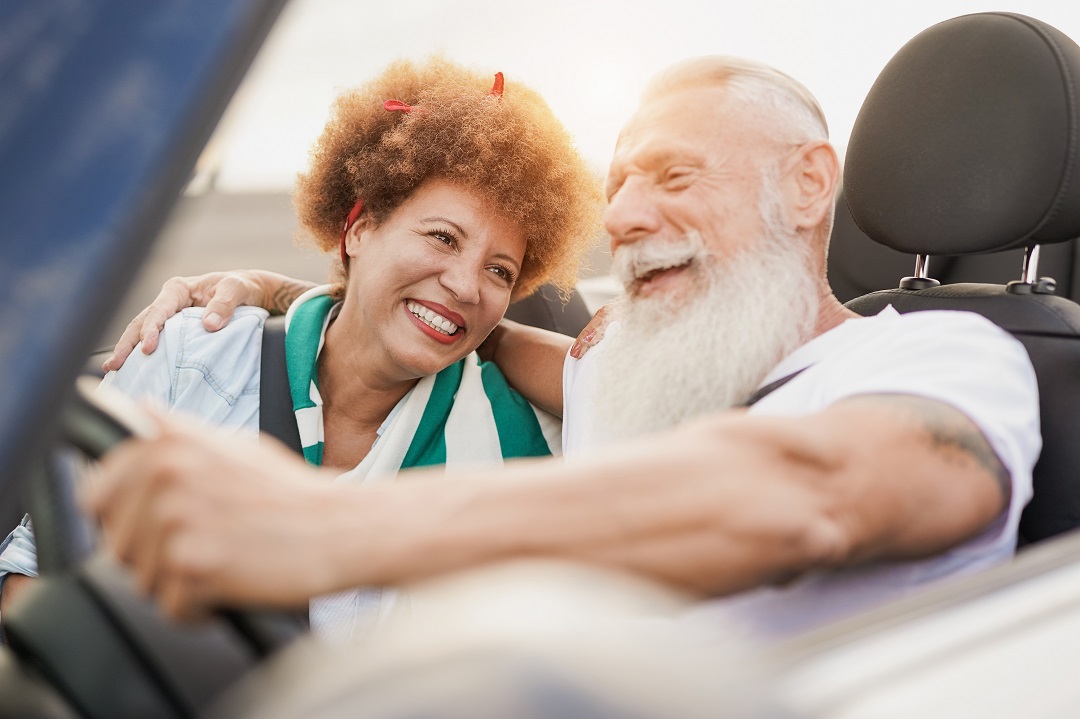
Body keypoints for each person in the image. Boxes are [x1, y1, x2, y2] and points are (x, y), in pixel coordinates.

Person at [24, 56, 1043, 641]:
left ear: (810, 185)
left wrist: (321, 527)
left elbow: (810, 492)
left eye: (673, 175)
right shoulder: (622, 380)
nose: (631, 214)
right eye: (621, 187)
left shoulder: (946, 363)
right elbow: (446, 323)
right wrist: (274, 289)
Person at [0, 57, 605, 640]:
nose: (467, 286)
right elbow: (37, 581)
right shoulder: (190, 356)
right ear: (360, 228)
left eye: (500, 272)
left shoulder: (527, 442)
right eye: (443, 237)